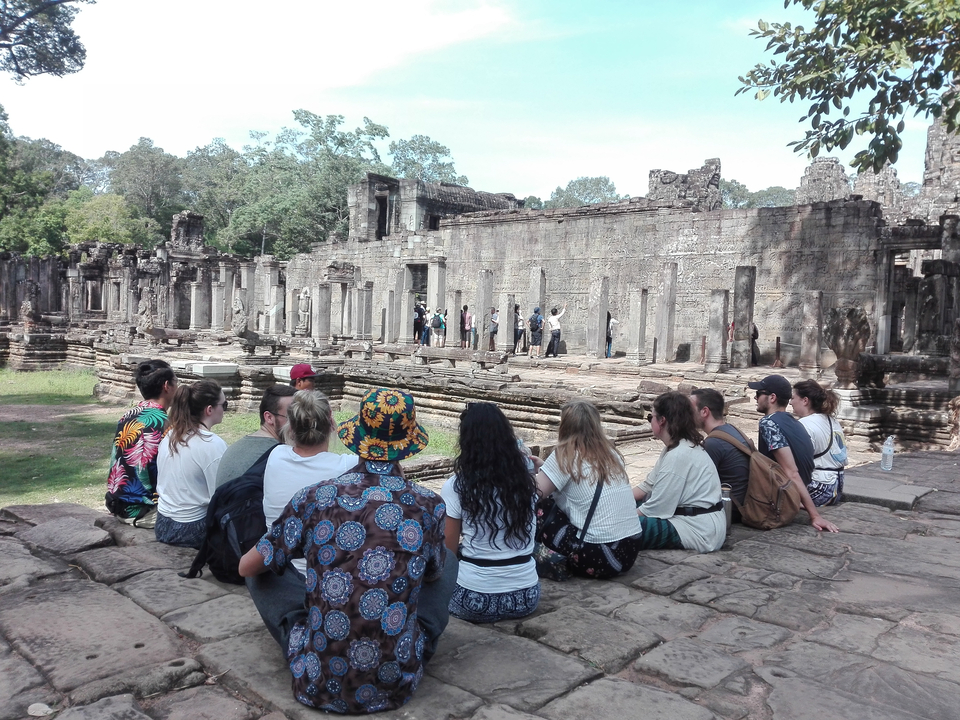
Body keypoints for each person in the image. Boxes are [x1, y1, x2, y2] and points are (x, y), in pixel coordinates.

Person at [239, 388, 458, 713]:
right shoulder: (429, 506)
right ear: (408, 445)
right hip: (395, 678)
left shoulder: (314, 498)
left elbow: (246, 567)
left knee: (261, 569)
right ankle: (408, 637)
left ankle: (307, 628)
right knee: (449, 562)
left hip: (317, 678)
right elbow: (434, 575)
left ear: (357, 437)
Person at [442, 403, 540, 623]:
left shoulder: (457, 486)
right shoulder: (526, 483)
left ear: (466, 442)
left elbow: (447, 550)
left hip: (474, 599)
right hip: (526, 597)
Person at [535, 399, 642, 579]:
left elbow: (532, 493)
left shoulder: (565, 454)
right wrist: (546, 468)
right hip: (629, 551)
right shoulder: (612, 454)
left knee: (540, 507)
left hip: (598, 556)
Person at [261, 390, 358, 578]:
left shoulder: (276, 455)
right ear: (331, 423)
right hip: (325, 575)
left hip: (280, 570)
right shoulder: (347, 466)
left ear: (290, 426)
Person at [632, 392, 725, 552]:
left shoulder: (678, 455)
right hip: (691, 518)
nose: (650, 421)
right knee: (625, 507)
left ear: (662, 421)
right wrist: (613, 501)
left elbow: (656, 508)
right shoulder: (675, 447)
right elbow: (646, 487)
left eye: (651, 417)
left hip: (699, 529)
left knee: (622, 527)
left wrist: (617, 516)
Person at [748, 375, 839, 532]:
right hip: (796, 493)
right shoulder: (795, 422)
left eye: (758, 394)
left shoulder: (769, 423)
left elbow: (792, 471)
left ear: (772, 397)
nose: (755, 398)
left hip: (782, 499)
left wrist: (815, 516)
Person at [155, 380, 228, 548]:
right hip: (191, 528)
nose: (224, 409)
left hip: (162, 523)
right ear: (209, 410)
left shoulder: (170, 435)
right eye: (224, 405)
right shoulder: (211, 445)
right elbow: (219, 497)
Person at [105, 360, 178, 528]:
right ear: (167, 386)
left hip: (118, 505)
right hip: (146, 512)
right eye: (176, 382)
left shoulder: (128, 416)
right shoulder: (165, 424)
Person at [215, 384, 296, 487]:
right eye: (292, 417)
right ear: (269, 417)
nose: (299, 423)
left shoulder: (235, 447)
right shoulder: (281, 455)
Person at [690, 388, 750, 522]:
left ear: (704, 411)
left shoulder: (714, 443)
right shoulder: (732, 429)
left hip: (731, 511)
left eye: (690, 409)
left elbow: (693, 483)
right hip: (741, 501)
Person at [791, 380, 848, 507]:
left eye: (793, 398)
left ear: (805, 401)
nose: (790, 402)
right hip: (836, 486)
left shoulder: (805, 424)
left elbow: (799, 462)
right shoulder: (832, 419)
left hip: (820, 488)